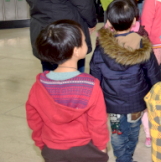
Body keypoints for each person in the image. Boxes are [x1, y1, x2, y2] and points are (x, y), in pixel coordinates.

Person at [90, 0, 161, 162]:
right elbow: (153, 75)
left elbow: (95, 76)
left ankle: (123, 158)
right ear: (134, 21)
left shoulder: (102, 48)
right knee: (133, 130)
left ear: (109, 22)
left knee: (117, 133)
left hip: (112, 103)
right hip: (137, 102)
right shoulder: (143, 45)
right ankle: (126, 157)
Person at [26, 20, 109, 162]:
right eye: (84, 40)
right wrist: (101, 146)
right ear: (76, 51)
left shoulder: (39, 86)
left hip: (52, 150)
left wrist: (41, 144)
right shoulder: (90, 85)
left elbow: (34, 120)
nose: (86, 43)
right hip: (85, 149)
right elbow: (98, 122)